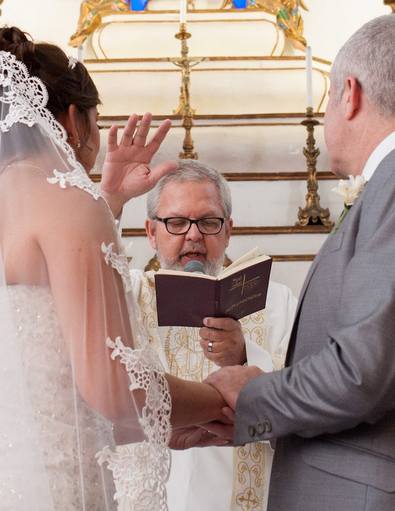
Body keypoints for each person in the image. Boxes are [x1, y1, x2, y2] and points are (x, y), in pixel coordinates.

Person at [0, 27, 228, 510]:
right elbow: (110, 387)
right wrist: (215, 395)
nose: (96, 142)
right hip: (50, 492)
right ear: (73, 121)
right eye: (96, 124)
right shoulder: (71, 205)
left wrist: (108, 199)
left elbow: (28, 390)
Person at [203, 14, 395, 511]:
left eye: (327, 99)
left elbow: (361, 374)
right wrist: (247, 417)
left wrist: (254, 397)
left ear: (349, 93)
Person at [123, 160, 297, 511]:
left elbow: (312, 393)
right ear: (151, 231)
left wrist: (247, 356)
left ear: (228, 230)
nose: (193, 235)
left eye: (208, 221)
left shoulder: (276, 302)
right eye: (175, 222)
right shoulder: (124, 295)